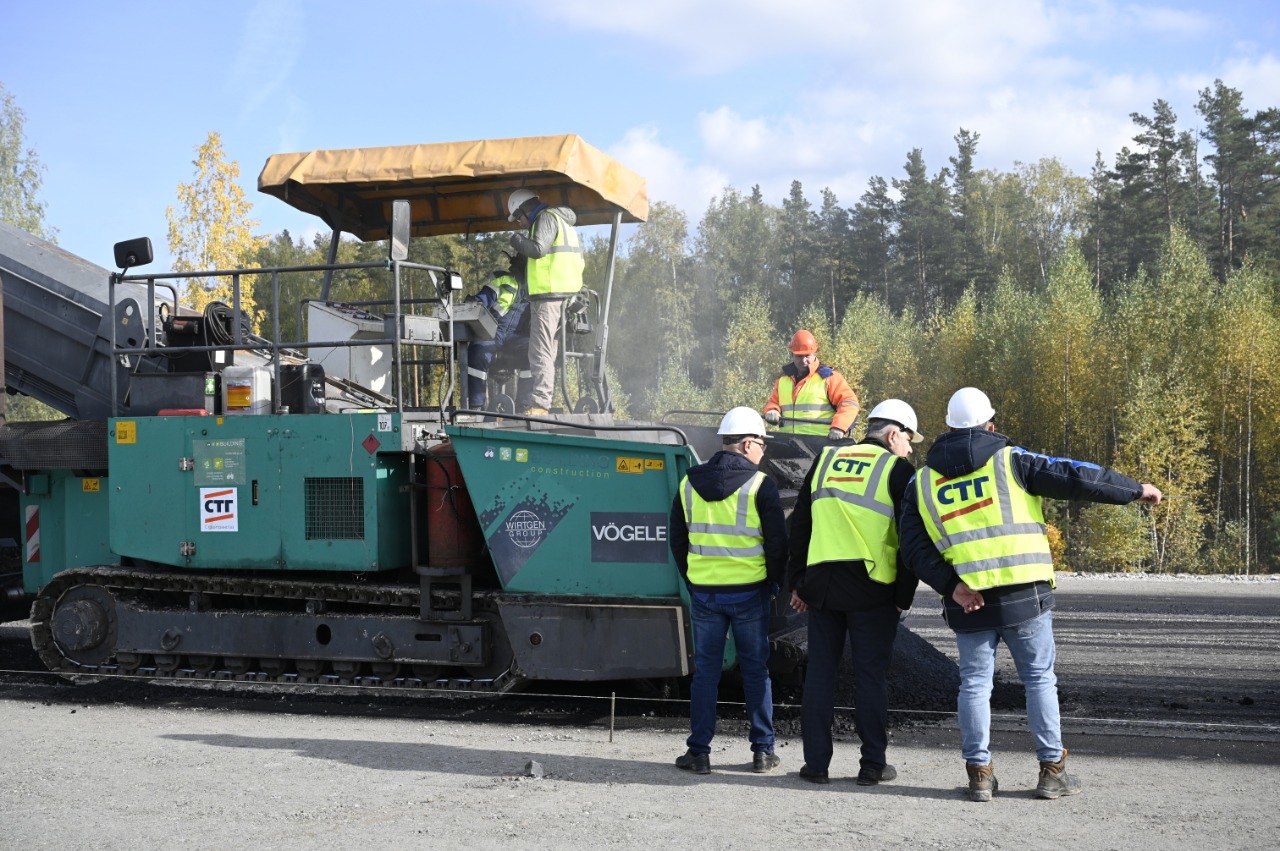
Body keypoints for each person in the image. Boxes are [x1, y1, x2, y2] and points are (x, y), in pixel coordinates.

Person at [899, 387, 1163, 802]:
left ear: (948, 427)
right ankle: (1051, 771)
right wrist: (1133, 489)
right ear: (990, 424)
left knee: (974, 685)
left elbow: (913, 549)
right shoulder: (1012, 461)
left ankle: (980, 775)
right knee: (1039, 679)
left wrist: (953, 587)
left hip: (969, 602)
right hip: (1025, 596)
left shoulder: (921, 481)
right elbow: (1077, 476)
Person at [788, 399, 923, 786]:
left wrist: (799, 581)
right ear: (893, 434)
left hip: (824, 589)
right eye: (909, 440)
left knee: (819, 677)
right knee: (870, 678)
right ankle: (872, 765)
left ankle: (816, 766)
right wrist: (903, 595)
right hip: (873, 590)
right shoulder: (898, 471)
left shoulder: (826, 459)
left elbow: (800, 523)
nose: (910, 448)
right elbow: (909, 540)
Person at [668, 406, 788, 775]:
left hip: (705, 593)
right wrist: (773, 585)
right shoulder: (760, 485)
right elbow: (778, 545)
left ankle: (699, 753)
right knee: (755, 670)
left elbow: (677, 540)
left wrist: (693, 580)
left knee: (705, 673)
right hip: (749, 593)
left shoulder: (689, 482)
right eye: (762, 444)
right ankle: (763, 752)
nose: (764, 451)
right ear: (748, 443)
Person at [506, 189, 584, 416]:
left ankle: (540, 404)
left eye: (519, 217)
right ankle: (544, 400)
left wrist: (516, 241)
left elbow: (538, 249)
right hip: (564, 296)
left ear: (524, 209)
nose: (520, 223)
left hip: (549, 296)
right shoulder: (561, 220)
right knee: (549, 352)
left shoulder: (545, 218)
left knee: (539, 351)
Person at [763, 330, 860, 440]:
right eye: (799, 356)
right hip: (788, 445)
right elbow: (773, 401)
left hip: (822, 446)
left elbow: (849, 403)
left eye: (807, 356)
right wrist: (772, 410)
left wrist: (839, 427)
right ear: (792, 355)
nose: (804, 360)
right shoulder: (783, 380)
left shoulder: (829, 377)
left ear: (814, 353)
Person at [465, 256, 532, 412]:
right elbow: (482, 301)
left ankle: (524, 405)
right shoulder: (503, 281)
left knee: (534, 354)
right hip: (494, 332)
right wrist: (472, 302)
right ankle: (476, 405)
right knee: (478, 352)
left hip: (518, 336)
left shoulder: (538, 288)